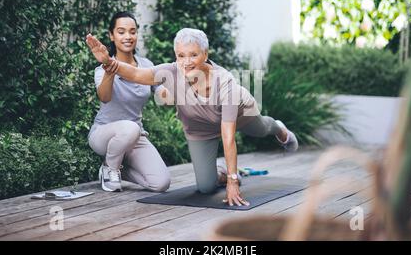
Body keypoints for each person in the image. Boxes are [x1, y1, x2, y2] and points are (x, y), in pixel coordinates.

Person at [86, 28, 298, 205]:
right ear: (175, 55)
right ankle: (222, 171)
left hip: (240, 116)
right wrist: (107, 62)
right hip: (200, 128)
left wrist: (233, 183)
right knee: (206, 187)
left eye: (193, 55)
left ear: (205, 54)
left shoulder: (225, 83)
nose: (186, 62)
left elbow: (228, 137)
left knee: (261, 129)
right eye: (180, 55)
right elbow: (135, 74)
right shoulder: (171, 71)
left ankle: (279, 128)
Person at [87, 11, 171, 193]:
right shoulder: (102, 68)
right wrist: (110, 68)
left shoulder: (147, 65)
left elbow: (162, 94)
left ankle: (119, 171)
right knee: (130, 128)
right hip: (104, 134)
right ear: (111, 35)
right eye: (121, 31)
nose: (128, 36)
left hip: (136, 136)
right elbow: (104, 97)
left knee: (161, 183)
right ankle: (110, 167)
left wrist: (175, 92)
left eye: (132, 31)